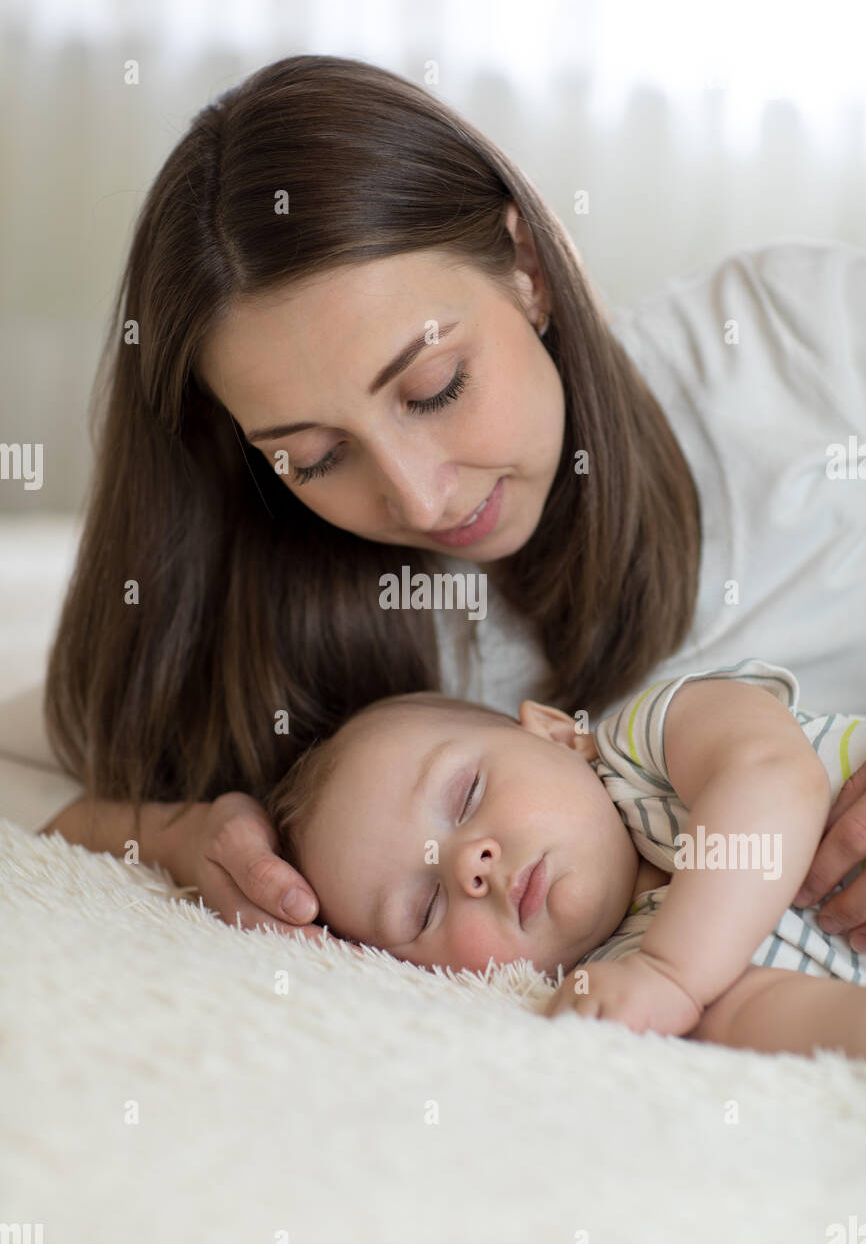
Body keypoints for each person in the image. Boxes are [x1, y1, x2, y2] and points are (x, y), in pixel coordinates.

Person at [2, 55, 864, 943]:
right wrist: (173, 833)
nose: (420, 500)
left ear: (526, 265)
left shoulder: (795, 338)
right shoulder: (334, 657)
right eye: (316, 456)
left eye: (435, 388)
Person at [259, 658, 866, 1060]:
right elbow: (777, 1019)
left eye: (466, 794)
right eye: (424, 908)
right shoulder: (613, 981)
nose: (471, 865)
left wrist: (674, 972)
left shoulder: (649, 741)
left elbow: (772, 774)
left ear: (554, 733)